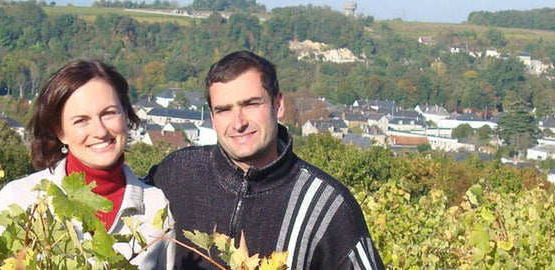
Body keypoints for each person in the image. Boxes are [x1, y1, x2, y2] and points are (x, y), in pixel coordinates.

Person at [147, 51, 385, 269]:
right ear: (212, 117)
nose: (238, 122)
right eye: (224, 110)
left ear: (278, 105)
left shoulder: (327, 205)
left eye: (250, 104)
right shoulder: (177, 174)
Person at [0, 60, 171, 269]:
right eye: (81, 120)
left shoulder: (156, 207)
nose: (100, 131)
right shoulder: (21, 200)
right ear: (60, 132)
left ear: (126, 115)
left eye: (109, 113)